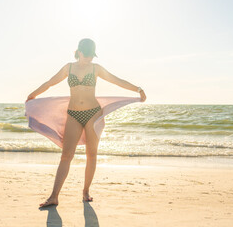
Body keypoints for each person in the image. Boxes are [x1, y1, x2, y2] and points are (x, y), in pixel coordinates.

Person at [25, 38, 146, 207]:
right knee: (66, 155)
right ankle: (54, 196)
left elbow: (117, 80)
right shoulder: (68, 68)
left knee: (91, 154)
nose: (90, 59)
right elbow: (49, 83)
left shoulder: (96, 69)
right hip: (74, 114)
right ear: (79, 52)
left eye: (92, 56)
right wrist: (33, 95)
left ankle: (86, 191)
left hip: (93, 114)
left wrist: (138, 89)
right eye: (88, 55)